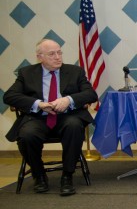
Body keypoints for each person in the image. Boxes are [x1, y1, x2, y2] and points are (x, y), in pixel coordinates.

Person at [4, 38, 98, 196]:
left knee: (74, 126)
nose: (58, 57)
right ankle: (39, 175)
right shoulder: (27, 73)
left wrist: (68, 100)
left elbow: (91, 94)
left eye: (59, 52)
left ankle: (67, 176)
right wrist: (38, 104)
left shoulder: (75, 71)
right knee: (27, 135)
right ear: (40, 57)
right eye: (52, 54)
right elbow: (9, 96)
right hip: (38, 118)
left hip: (67, 117)